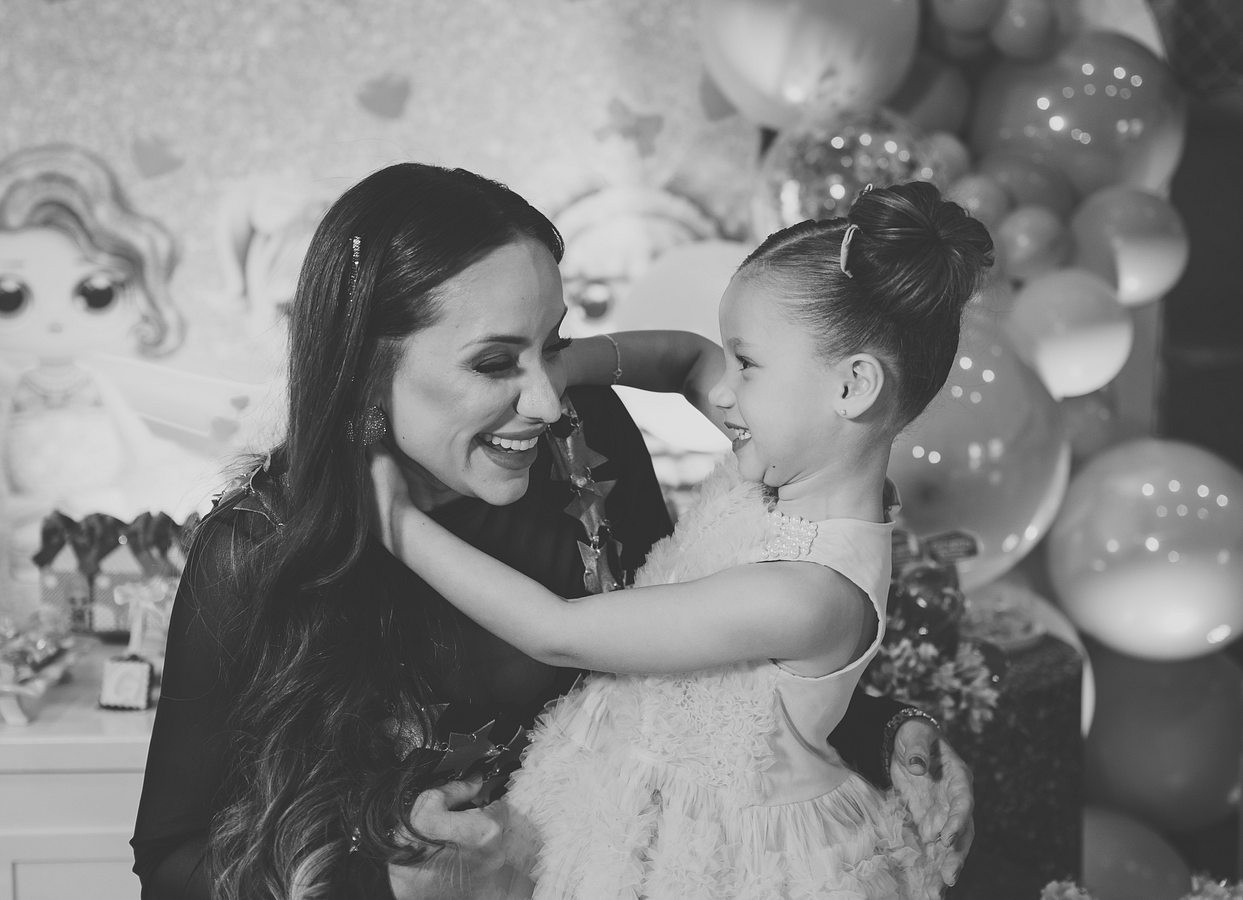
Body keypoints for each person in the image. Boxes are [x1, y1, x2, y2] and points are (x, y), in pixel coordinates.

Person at [131, 164, 973, 900]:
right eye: (494, 362)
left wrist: (876, 725)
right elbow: (169, 861)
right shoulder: (253, 550)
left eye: (554, 345)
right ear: (362, 368)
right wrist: (375, 884)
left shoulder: (585, 441)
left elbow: (688, 667)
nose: (545, 398)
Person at [376, 180, 993, 898]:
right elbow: (686, 360)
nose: (722, 389)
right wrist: (563, 366)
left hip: (710, 858)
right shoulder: (787, 466)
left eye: (748, 364)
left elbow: (556, 632)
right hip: (626, 791)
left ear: (852, 387)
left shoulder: (803, 593)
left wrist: (397, 523)